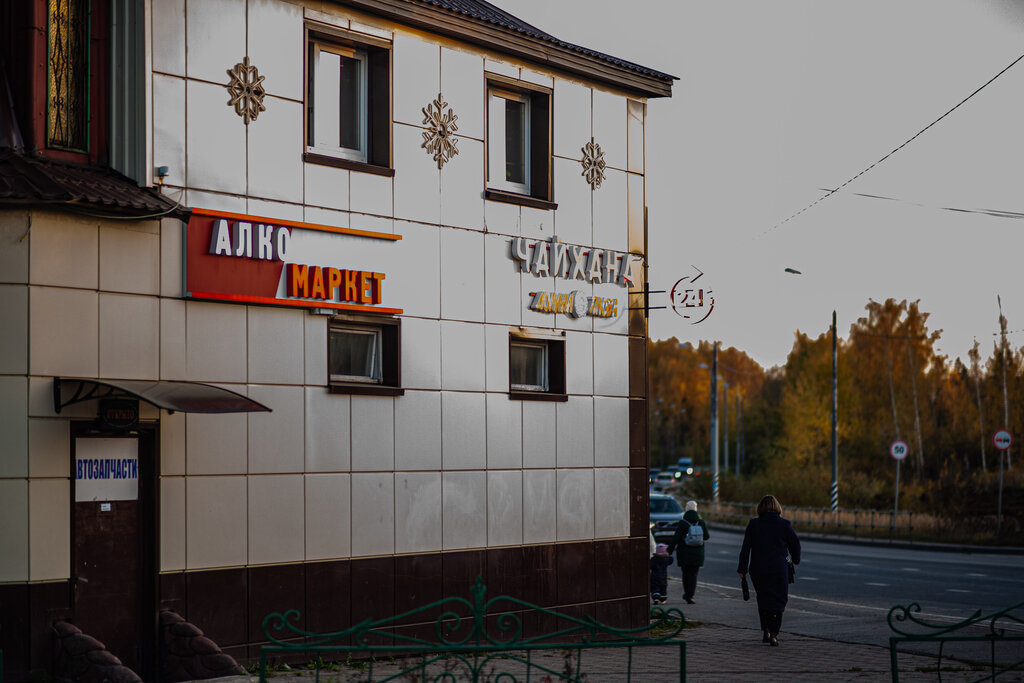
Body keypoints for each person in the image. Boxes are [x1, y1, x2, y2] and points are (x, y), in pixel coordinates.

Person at [736, 494, 801, 647]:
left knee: (763, 598)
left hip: (758, 568)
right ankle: (774, 633)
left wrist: (742, 569)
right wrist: (796, 560)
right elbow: (795, 544)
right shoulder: (785, 524)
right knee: (779, 599)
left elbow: (746, 548)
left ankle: (765, 628)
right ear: (777, 508)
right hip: (779, 569)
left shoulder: (754, 524)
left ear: (760, 508)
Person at [667, 500, 709, 604]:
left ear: (686, 509)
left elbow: (675, 538)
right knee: (694, 574)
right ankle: (691, 595)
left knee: (685, 574)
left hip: (684, 553)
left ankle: (687, 594)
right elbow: (707, 537)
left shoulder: (683, 523)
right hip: (698, 554)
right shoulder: (701, 522)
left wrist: (669, 551)